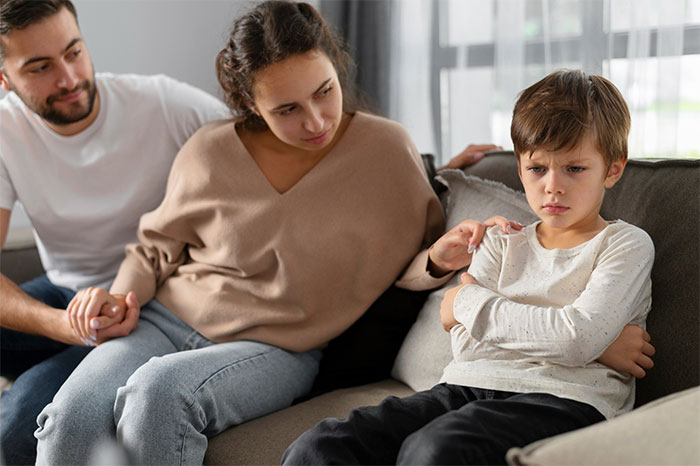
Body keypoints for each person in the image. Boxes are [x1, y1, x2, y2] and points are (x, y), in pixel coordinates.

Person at [31, 1, 495, 464]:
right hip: (164, 321)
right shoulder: (211, 149)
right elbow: (155, 248)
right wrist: (122, 298)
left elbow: (409, 258)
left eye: (324, 91)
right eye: (288, 108)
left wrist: (438, 259)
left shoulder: (387, 150)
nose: (315, 121)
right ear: (251, 104)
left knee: (160, 393)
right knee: (67, 419)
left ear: (336, 69)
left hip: (278, 348)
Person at [281, 69, 657, 465]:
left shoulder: (624, 244)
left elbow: (576, 338)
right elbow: (467, 344)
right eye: (537, 168)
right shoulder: (499, 241)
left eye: (574, 169)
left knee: (434, 450)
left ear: (612, 170)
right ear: (520, 168)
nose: (553, 186)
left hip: (566, 400)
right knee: (321, 445)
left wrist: (465, 302)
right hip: (467, 384)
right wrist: (590, 344)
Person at [0, 0, 231, 463]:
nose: (68, 78)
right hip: (69, 300)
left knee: (16, 426)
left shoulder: (166, 105)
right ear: (4, 79)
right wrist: (66, 326)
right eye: (41, 67)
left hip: (155, 306)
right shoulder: (6, 130)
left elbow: (262, 156)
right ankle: (78, 375)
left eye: (74, 51)